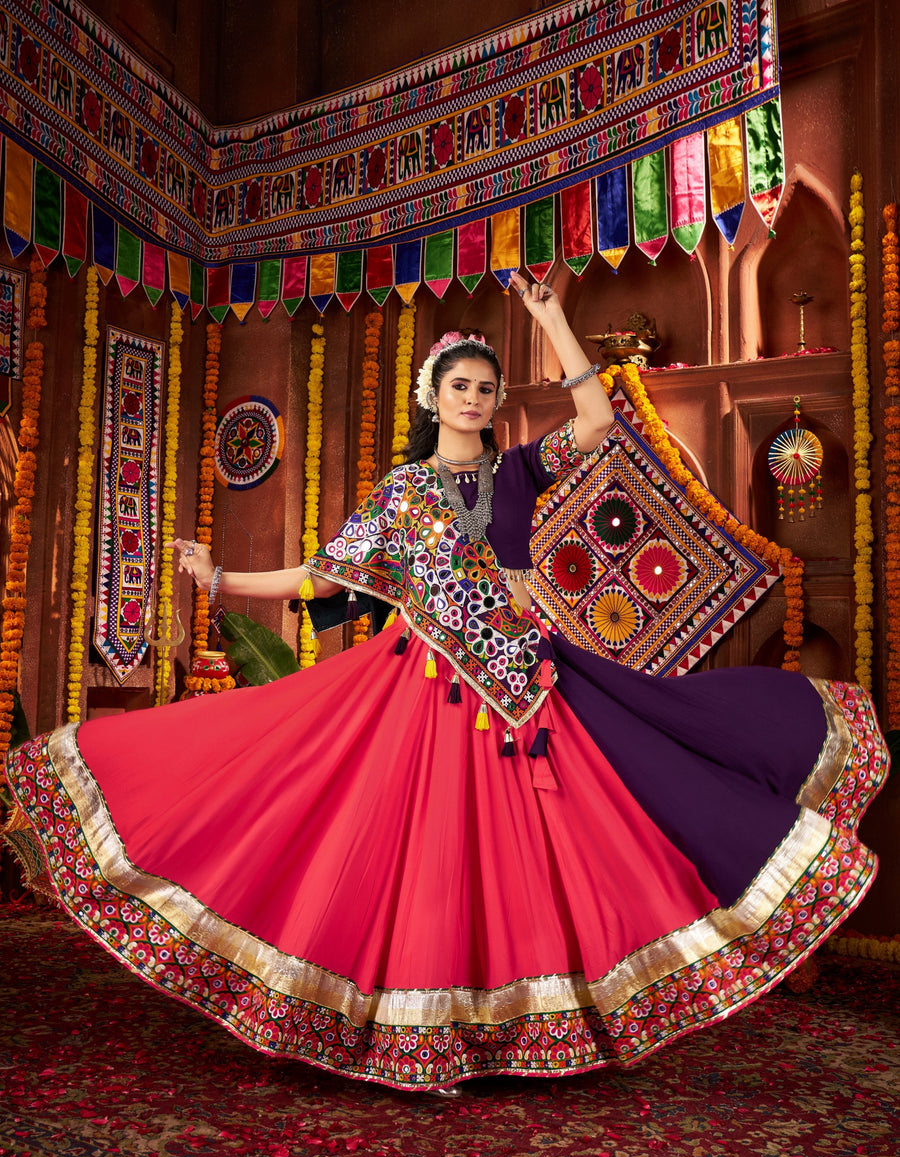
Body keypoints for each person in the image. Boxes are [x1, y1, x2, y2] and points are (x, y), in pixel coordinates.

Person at [3, 275, 887, 1096]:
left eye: (486, 388)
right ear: (432, 397)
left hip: (527, 679)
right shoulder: (400, 495)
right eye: (459, 385)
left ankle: (527, 1021)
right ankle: (417, 1023)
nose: (475, 398)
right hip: (427, 683)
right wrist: (223, 580)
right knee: (419, 847)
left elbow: (599, 419)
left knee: (558, 841)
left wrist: (549, 322)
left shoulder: (519, 472)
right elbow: (321, 576)